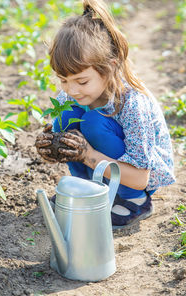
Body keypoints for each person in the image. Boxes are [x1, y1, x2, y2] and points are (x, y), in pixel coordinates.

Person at [35, 0, 175, 229]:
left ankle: (134, 201)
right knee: (65, 117)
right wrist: (52, 146)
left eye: (82, 81)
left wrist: (86, 155)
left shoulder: (133, 104)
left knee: (92, 122)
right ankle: (87, 188)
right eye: (63, 81)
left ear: (110, 67)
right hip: (104, 163)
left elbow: (142, 178)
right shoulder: (70, 96)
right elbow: (64, 136)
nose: (71, 90)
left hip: (138, 179)